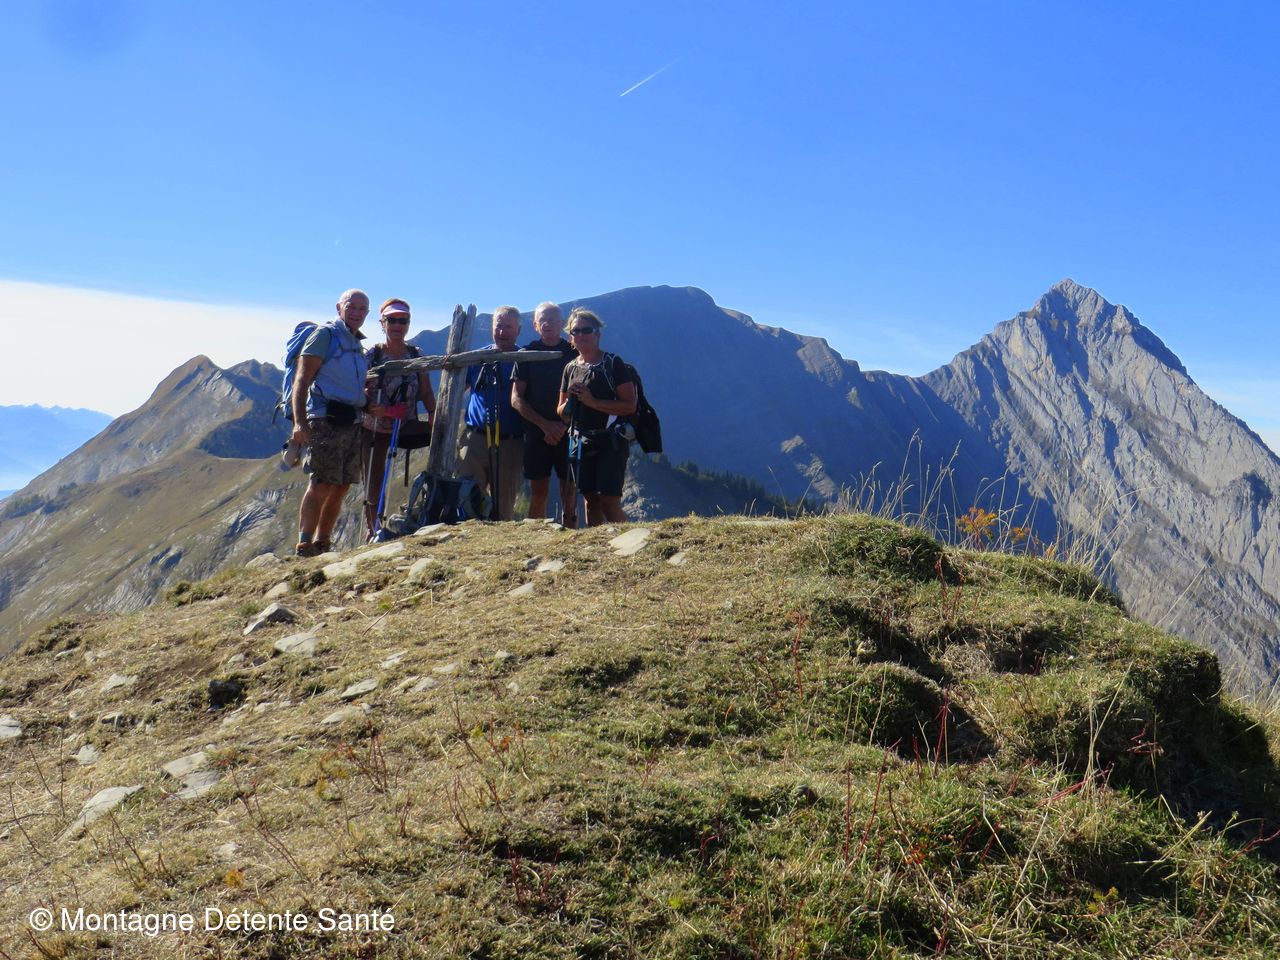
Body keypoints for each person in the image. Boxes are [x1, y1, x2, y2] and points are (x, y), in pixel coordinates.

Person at [290, 288, 375, 556]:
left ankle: (323, 543)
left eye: (362, 309)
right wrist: (299, 422)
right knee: (321, 483)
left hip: (351, 420)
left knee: (341, 486)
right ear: (339, 308)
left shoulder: (356, 343)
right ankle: (305, 544)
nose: (357, 313)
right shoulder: (325, 336)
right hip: (325, 420)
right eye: (351, 307)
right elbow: (302, 379)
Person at [360, 298, 437, 541]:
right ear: (382, 323)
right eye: (391, 320)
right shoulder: (372, 355)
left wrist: (433, 413)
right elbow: (358, 389)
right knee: (373, 480)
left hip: (405, 426)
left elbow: (425, 390)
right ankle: (374, 529)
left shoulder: (416, 355)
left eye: (402, 321)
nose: (397, 325)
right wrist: (377, 408)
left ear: (408, 324)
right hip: (373, 427)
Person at [557, 308, 637, 526]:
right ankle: (597, 544)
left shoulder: (613, 364)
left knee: (609, 501)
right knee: (591, 500)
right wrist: (570, 403)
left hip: (611, 441)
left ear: (597, 334)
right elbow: (560, 411)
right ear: (570, 337)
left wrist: (592, 401)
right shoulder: (570, 368)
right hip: (582, 440)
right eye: (576, 331)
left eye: (587, 330)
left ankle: (630, 542)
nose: (581, 335)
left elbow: (629, 406)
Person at [512, 302, 578, 527]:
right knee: (538, 493)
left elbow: (583, 394)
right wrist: (545, 426)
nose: (547, 324)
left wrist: (561, 426)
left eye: (553, 320)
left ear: (562, 324)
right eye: (543, 320)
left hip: (569, 433)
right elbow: (516, 399)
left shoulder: (574, 353)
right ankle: (534, 539)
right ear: (535, 325)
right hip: (535, 434)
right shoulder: (526, 355)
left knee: (569, 492)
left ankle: (571, 538)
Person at [458, 306, 526, 520]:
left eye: (508, 327)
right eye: (499, 326)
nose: (502, 332)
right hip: (474, 440)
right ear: (491, 328)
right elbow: (457, 389)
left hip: (510, 442)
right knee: (467, 498)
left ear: (518, 330)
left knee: (503, 505)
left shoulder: (525, 360)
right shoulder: (477, 358)